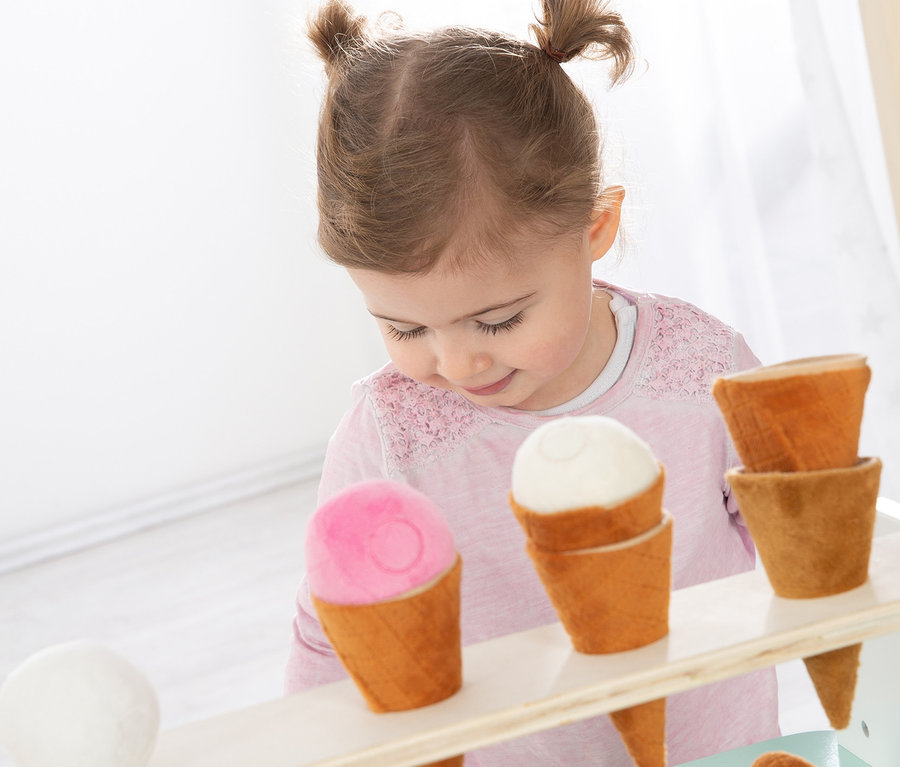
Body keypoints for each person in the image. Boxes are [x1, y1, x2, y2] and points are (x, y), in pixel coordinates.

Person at [285, 0, 781, 763]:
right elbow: (333, 625)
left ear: (595, 229)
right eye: (405, 329)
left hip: (718, 747)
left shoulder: (700, 370)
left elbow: (791, 536)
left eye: (497, 320)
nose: (455, 365)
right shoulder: (390, 431)